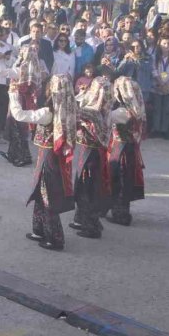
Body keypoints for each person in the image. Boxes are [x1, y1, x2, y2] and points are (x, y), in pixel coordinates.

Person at [8, 74, 77, 251]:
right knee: (41, 192)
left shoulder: (48, 113)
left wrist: (13, 95)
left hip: (48, 157)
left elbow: (19, 114)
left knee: (47, 196)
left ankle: (55, 238)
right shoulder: (71, 108)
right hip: (54, 156)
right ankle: (39, 230)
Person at [0, 44, 48, 167]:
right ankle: (16, 153)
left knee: (17, 127)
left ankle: (21, 156)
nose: (20, 54)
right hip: (26, 100)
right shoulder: (34, 68)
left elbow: (2, 72)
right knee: (21, 127)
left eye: (22, 52)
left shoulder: (22, 69)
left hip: (18, 99)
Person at [70, 77, 112, 239]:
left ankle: (91, 225)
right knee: (88, 186)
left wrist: (77, 95)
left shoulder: (92, 111)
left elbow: (71, 107)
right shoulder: (106, 108)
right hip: (95, 152)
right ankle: (82, 219)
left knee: (85, 187)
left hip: (90, 153)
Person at [107, 77, 146, 226]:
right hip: (129, 147)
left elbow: (105, 118)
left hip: (120, 148)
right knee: (125, 179)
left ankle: (120, 214)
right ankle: (122, 211)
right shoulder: (138, 108)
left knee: (118, 180)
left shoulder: (122, 111)